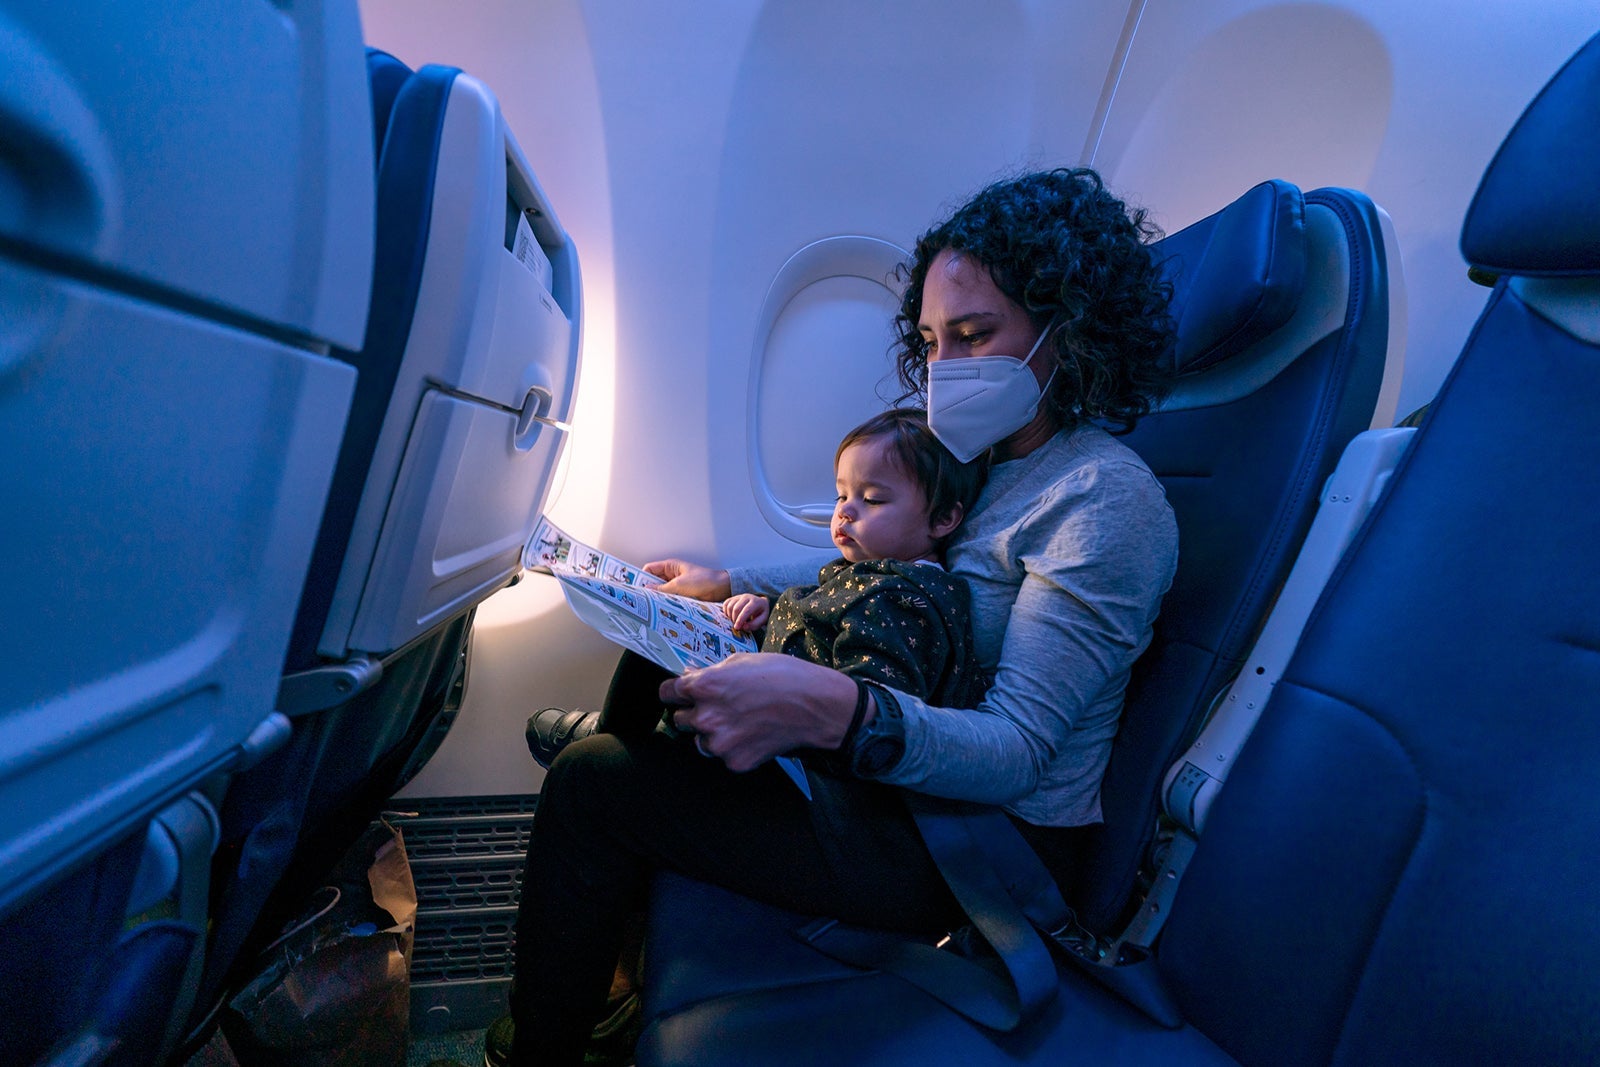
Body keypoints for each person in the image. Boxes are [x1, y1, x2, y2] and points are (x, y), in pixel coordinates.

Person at [502, 168, 1179, 1067]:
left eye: (975, 336)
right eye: (933, 343)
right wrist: (725, 580)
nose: (947, 371)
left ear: (1074, 326)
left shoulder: (1103, 501)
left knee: (594, 784)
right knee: (657, 662)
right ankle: (601, 965)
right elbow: (891, 570)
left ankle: (539, 1050)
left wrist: (838, 711)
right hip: (909, 787)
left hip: (981, 844)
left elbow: (1018, 748)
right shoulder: (980, 461)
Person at [719, 407, 988, 714]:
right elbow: (825, 609)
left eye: (872, 499)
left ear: (942, 519)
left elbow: (862, 708)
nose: (844, 511)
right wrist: (771, 606)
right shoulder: (878, 571)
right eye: (841, 496)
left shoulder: (899, 603)